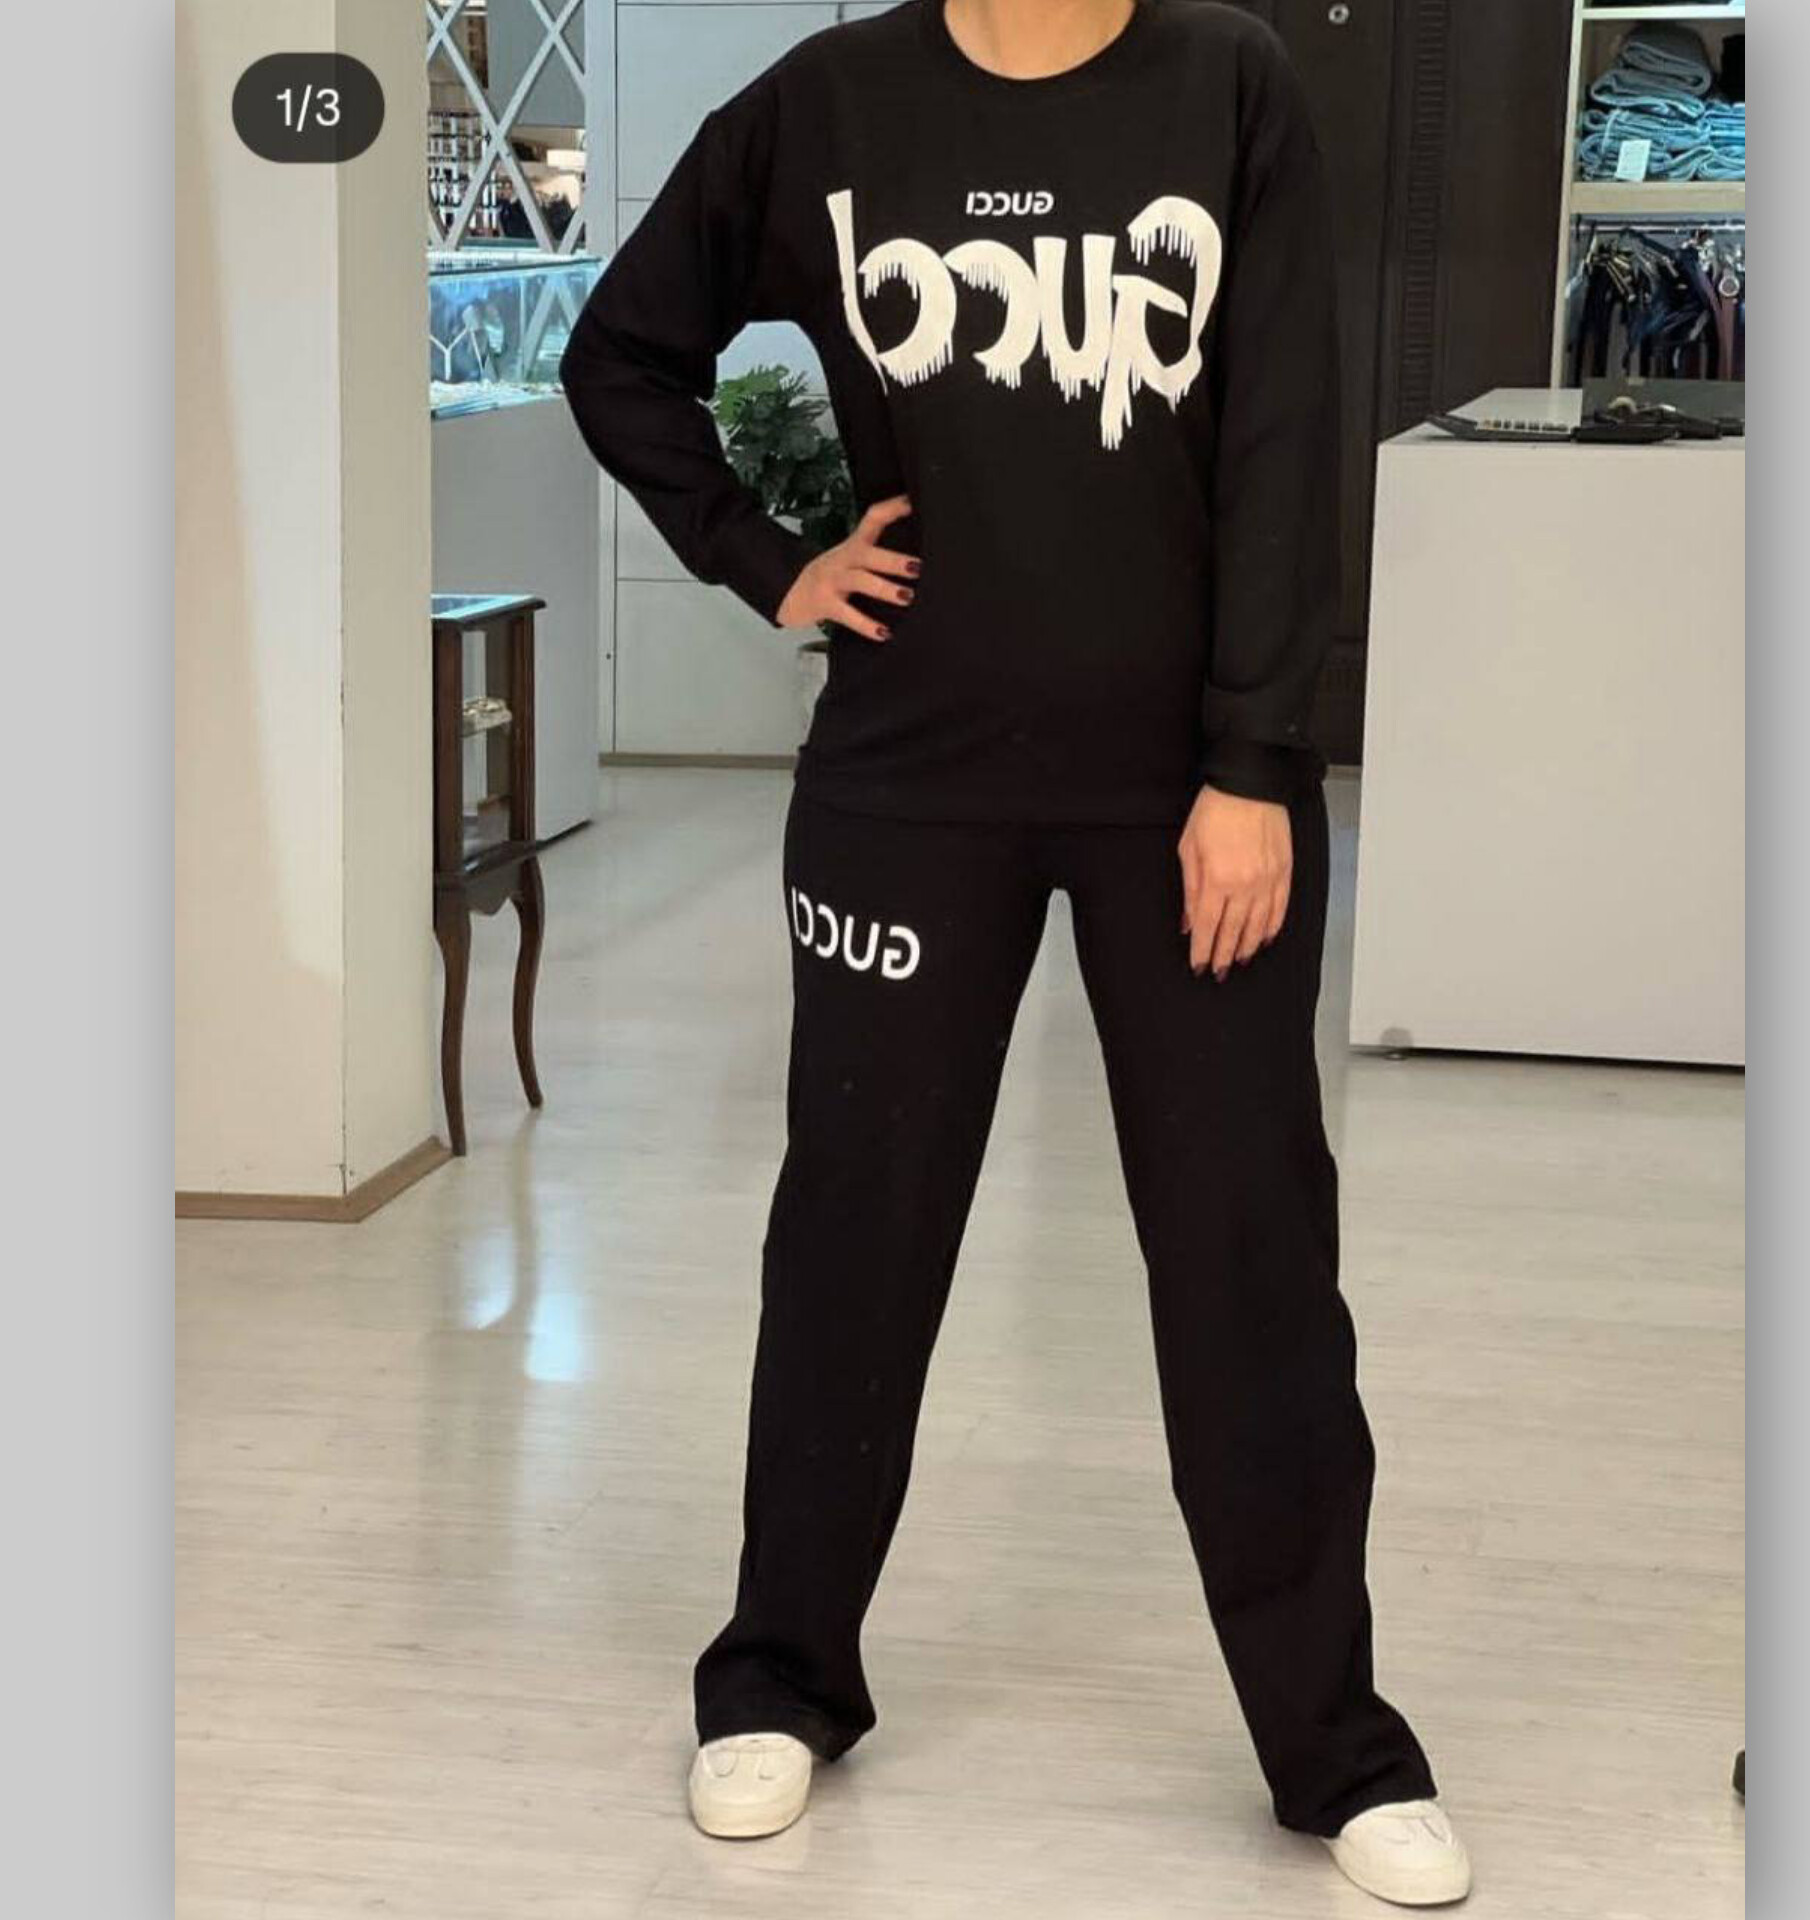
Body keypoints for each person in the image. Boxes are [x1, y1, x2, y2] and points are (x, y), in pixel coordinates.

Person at [559, 0, 1471, 1905]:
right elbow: (621, 351)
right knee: (855, 1236)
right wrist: (766, 556)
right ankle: (778, 1678)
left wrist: (1255, 760)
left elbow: (1284, 433)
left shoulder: (1229, 86)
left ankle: (1336, 1744)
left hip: (1190, 808)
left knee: (1247, 1259)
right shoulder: (828, 102)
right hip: (907, 787)